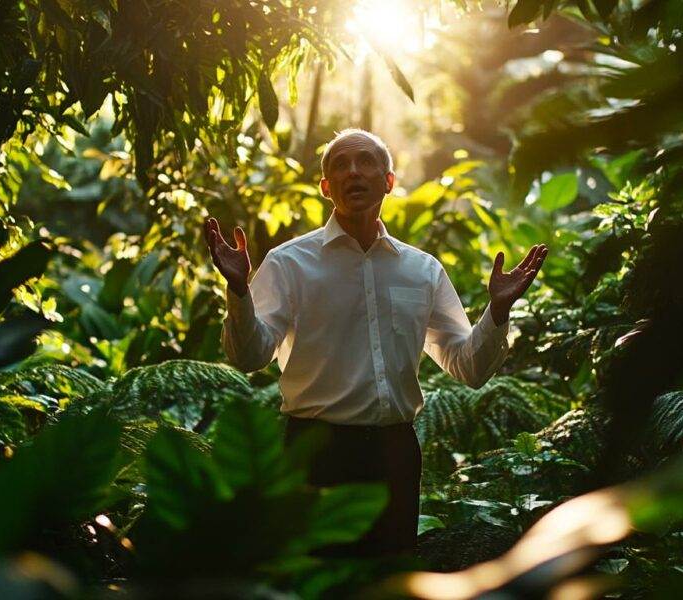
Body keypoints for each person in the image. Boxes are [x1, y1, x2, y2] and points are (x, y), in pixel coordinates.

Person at [203, 129, 547, 557]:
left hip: (396, 453)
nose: (353, 172)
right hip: (315, 452)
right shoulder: (288, 263)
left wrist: (497, 311)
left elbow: (469, 367)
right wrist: (238, 292)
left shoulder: (422, 271)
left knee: (389, 581)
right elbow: (250, 356)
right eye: (340, 165)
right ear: (326, 187)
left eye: (365, 161)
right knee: (319, 583)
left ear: (388, 180)